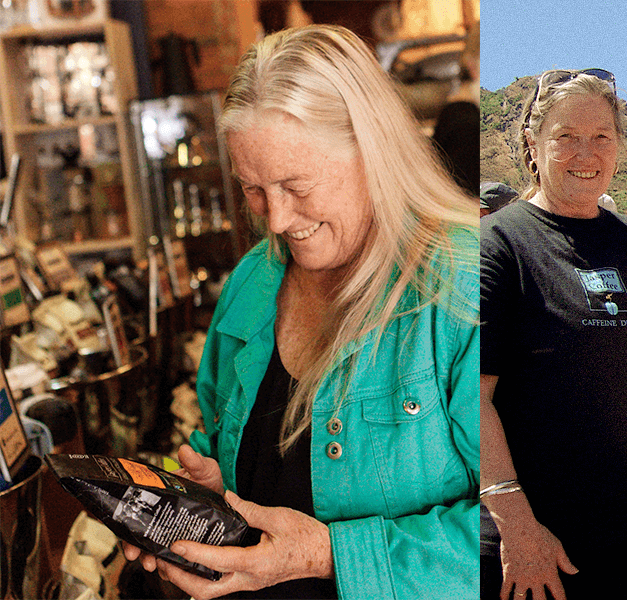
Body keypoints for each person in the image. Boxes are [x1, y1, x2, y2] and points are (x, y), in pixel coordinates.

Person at [121, 25, 480, 600]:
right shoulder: (252, 283)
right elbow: (230, 446)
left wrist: (326, 555)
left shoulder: (466, 288)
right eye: (253, 189)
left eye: (296, 184)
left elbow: (520, 532)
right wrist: (209, 501)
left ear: (374, 151)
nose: (277, 221)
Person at [480, 67, 627, 599]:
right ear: (533, 144)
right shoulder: (496, 248)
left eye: (601, 137)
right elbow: (470, 396)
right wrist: (517, 526)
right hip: (539, 552)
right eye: (566, 137)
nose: (586, 154)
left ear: (619, 147)